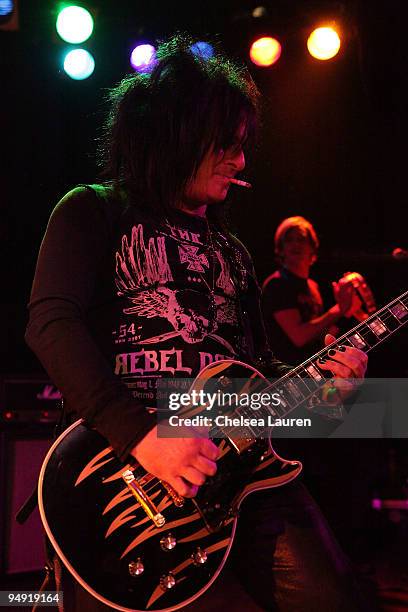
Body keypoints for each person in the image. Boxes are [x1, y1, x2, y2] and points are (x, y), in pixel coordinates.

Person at [25, 35, 373, 611]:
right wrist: (143, 437)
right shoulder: (93, 209)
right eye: (227, 145)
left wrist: (326, 389)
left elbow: (258, 377)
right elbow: (50, 325)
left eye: (242, 147)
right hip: (125, 477)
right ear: (175, 135)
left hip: (242, 474)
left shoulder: (233, 253)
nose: (241, 162)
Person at [261, 216, 362, 364]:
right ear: (281, 249)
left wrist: (349, 311)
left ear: (312, 248)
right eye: (289, 240)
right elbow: (299, 337)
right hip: (285, 376)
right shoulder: (277, 284)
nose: (295, 244)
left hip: (313, 373)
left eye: (301, 239)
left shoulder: (312, 286)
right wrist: (339, 309)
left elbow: (319, 336)